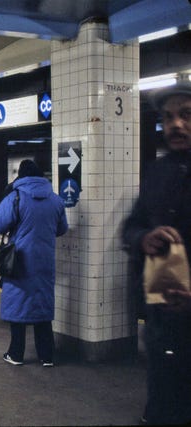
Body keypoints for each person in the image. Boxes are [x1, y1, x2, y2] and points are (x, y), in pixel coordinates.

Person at [122, 81, 191, 425]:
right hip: (163, 320)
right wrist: (143, 238)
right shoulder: (157, 172)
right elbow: (130, 227)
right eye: (168, 118)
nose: (176, 124)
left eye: (186, 115)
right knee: (162, 399)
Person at [0, 159, 68, 367]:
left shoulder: (16, 196)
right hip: (45, 260)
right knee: (42, 304)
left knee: (18, 304)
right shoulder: (56, 200)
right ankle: (47, 356)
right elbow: (61, 229)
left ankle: (16, 354)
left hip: (19, 260)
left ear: (21, 176)